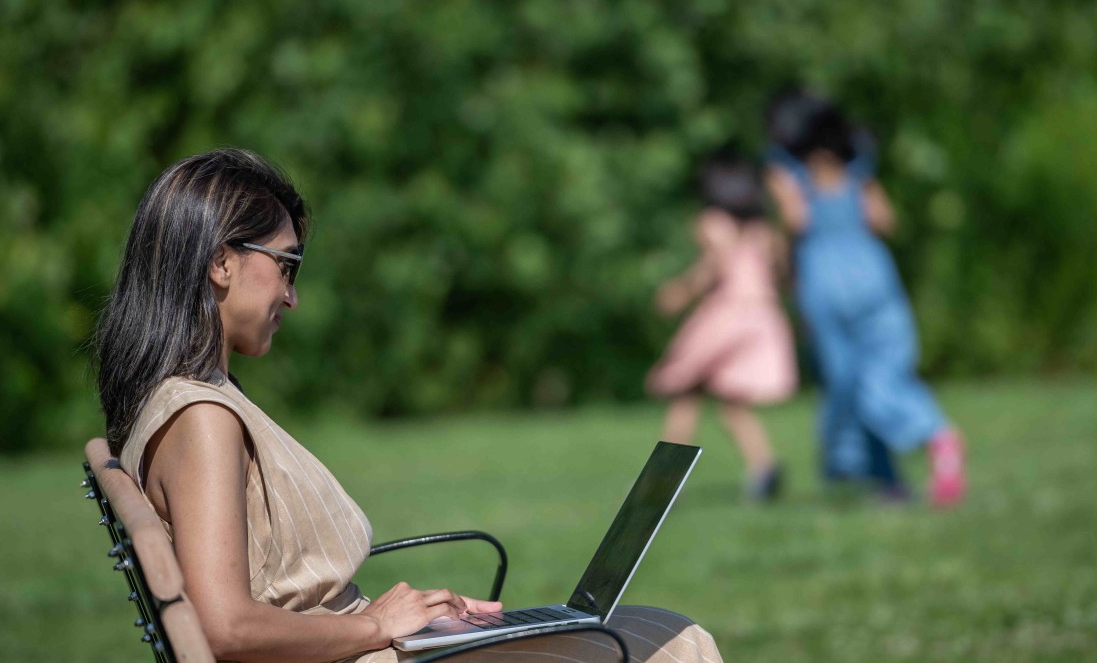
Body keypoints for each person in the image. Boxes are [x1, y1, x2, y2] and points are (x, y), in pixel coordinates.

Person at [93, 149, 722, 663]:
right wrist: (375, 628)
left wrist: (407, 620)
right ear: (219, 262)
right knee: (673, 644)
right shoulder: (201, 417)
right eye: (286, 266)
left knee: (653, 629)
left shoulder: (184, 400)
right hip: (357, 656)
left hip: (361, 648)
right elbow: (225, 626)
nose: (292, 297)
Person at [763, 93, 966, 507]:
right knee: (880, 375)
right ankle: (890, 481)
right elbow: (884, 220)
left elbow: (795, 221)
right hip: (873, 277)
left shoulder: (787, 172)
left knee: (848, 383)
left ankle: (933, 434)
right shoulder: (858, 170)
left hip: (824, 282)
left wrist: (782, 271)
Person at [646, 148, 797, 502]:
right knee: (732, 398)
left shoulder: (713, 223)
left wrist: (680, 294)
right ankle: (764, 466)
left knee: (686, 391)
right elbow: (784, 276)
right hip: (762, 317)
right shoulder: (766, 232)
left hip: (726, 314)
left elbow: (713, 267)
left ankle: (662, 478)